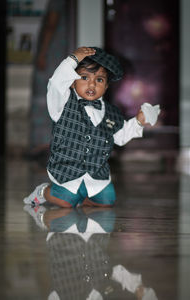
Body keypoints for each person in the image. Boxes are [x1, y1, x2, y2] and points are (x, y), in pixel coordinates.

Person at [24, 46, 160, 208]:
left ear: (107, 86)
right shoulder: (61, 103)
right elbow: (56, 83)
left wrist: (138, 121)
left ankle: (81, 198)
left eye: (99, 80)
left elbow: (121, 136)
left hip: (96, 176)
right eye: (84, 77)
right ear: (72, 82)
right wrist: (72, 60)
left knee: (107, 201)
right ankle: (43, 192)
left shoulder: (111, 112)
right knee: (65, 201)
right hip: (67, 173)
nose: (92, 84)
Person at [27, 0, 69, 159]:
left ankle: (44, 142)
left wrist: (43, 52)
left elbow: (51, 24)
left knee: (44, 95)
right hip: (63, 53)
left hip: (53, 52)